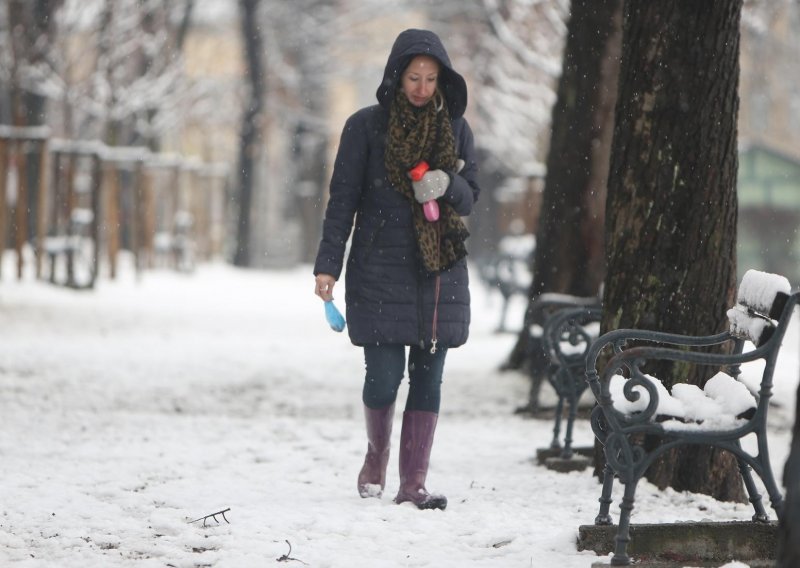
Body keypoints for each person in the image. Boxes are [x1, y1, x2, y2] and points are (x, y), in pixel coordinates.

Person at [313, 28, 480, 511]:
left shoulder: (456, 129)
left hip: (439, 272)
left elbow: (471, 195)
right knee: (383, 378)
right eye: (414, 77)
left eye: (431, 79)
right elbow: (342, 201)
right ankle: (376, 456)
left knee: (428, 378)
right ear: (396, 76)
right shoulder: (365, 127)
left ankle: (414, 483)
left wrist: (445, 183)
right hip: (378, 269)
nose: (423, 88)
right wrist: (328, 266)